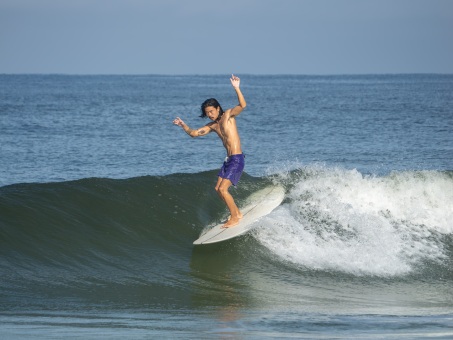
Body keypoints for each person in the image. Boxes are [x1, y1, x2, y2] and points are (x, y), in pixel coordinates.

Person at [173, 74, 246, 228]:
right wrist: (183, 125)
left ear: (218, 108)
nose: (210, 114)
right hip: (228, 160)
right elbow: (194, 134)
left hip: (237, 158)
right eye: (207, 113)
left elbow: (242, 105)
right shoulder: (213, 125)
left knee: (222, 188)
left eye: (211, 111)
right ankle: (237, 213)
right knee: (217, 189)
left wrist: (236, 88)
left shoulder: (228, 116)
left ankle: (235, 217)